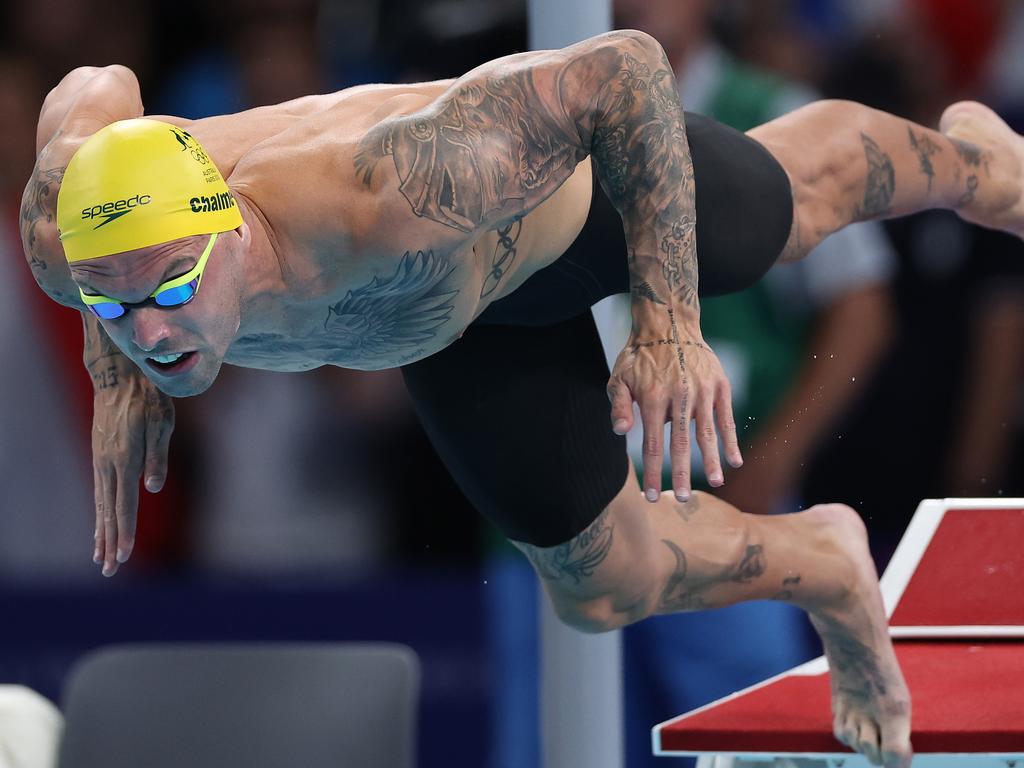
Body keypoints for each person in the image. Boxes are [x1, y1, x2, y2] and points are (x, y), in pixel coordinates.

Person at [22, 32, 1024, 767]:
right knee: (600, 589)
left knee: (795, 208)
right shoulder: (69, 246)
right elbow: (93, 85)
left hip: (573, 207)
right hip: (454, 324)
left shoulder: (391, 184)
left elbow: (622, 68)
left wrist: (666, 320)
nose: (150, 332)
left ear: (230, 230)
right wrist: (111, 367)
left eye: (175, 290)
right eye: (115, 305)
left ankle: (983, 166)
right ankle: (825, 561)